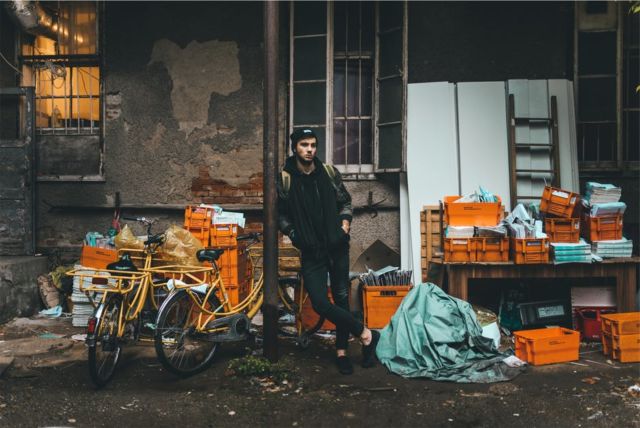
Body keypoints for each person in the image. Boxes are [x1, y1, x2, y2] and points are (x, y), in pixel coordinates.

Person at [277, 127, 380, 375]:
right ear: (295, 148)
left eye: (313, 144)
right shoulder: (285, 178)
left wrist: (344, 224)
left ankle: (342, 351)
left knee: (342, 299)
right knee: (322, 303)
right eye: (304, 145)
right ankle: (367, 335)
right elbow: (280, 214)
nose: (310, 149)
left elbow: (345, 200)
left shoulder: (328, 172)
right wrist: (293, 234)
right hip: (311, 250)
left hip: (336, 247)